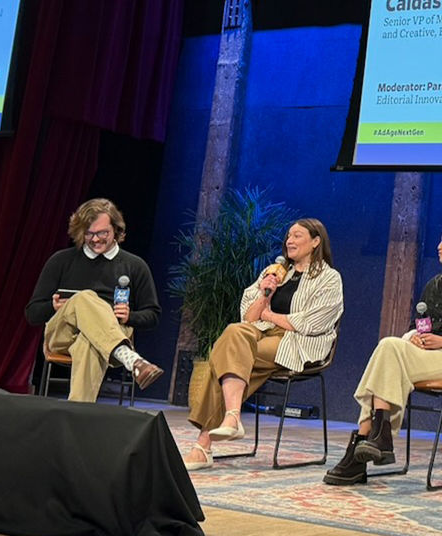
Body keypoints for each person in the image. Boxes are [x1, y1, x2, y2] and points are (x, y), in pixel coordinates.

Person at [324, 220, 442, 485]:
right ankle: (376, 438)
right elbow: (415, 325)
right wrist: (414, 338)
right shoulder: (435, 284)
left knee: (389, 349)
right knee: (392, 348)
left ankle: (366, 441)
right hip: (423, 357)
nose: (438, 246)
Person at [182, 218, 343, 471]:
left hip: (298, 341)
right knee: (234, 333)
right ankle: (232, 417)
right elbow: (247, 315)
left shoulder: (329, 278)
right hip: (261, 332)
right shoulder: (275, 271)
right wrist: (265, 293)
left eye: (297, 236)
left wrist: (269, 316)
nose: (289, 240)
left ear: (315, 242)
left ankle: (204, 445)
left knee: (225, 357)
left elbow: (314, 322)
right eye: (288, 235)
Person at [25, 198, 163, 402]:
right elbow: (32, 313)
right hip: (64, 335)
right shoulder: (61, 261)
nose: (95, 239)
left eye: (102, 233)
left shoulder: (135, 265)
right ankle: (130, 358)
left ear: (116, 230)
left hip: (107, 337)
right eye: (89, 233)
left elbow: (152, 315)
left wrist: (129, 316)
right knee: (85, 297)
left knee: (89, 342)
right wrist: (53, 307)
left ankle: (75, 419)